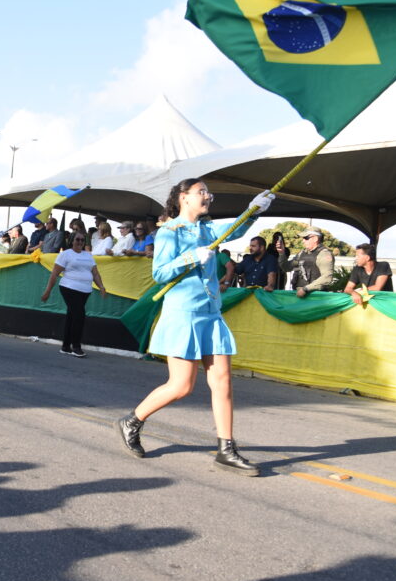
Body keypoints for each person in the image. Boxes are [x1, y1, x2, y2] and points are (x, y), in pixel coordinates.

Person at [114, 180, 274, 476]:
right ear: (183, 198)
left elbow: (234, 230)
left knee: (223, 380)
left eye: (208, 193)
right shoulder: (168, 232)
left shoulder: (206, 229)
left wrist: (254, 211)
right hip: (183, 313)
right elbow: (160, 273)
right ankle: (132, 421)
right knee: (181, 386)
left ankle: (226, 449)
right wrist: (190, 258)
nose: (208, 197)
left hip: (211, 312)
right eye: (201, 192)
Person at [40, 229, 106, 357]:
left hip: (85, 290)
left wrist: (102, 286)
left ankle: (65, 346)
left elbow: (95, 273)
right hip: (69, 288)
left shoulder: (88, 255)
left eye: (82, 240)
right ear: (71, 241)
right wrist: (47, 291)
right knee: (79, 316)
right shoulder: (66, 254)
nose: (80, 242)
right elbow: (54, 274)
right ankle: (76, 346)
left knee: (72, 317)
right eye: (77, 239)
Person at [279, 228, 334, 297]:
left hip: (316, 298)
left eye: (306, 238)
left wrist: (305, 289)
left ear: (315, 239)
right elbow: (286, 267)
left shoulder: (324, 254)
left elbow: (327, 278)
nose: (303, 241)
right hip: (299, 296)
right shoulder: (301, 254)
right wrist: (281, 253)